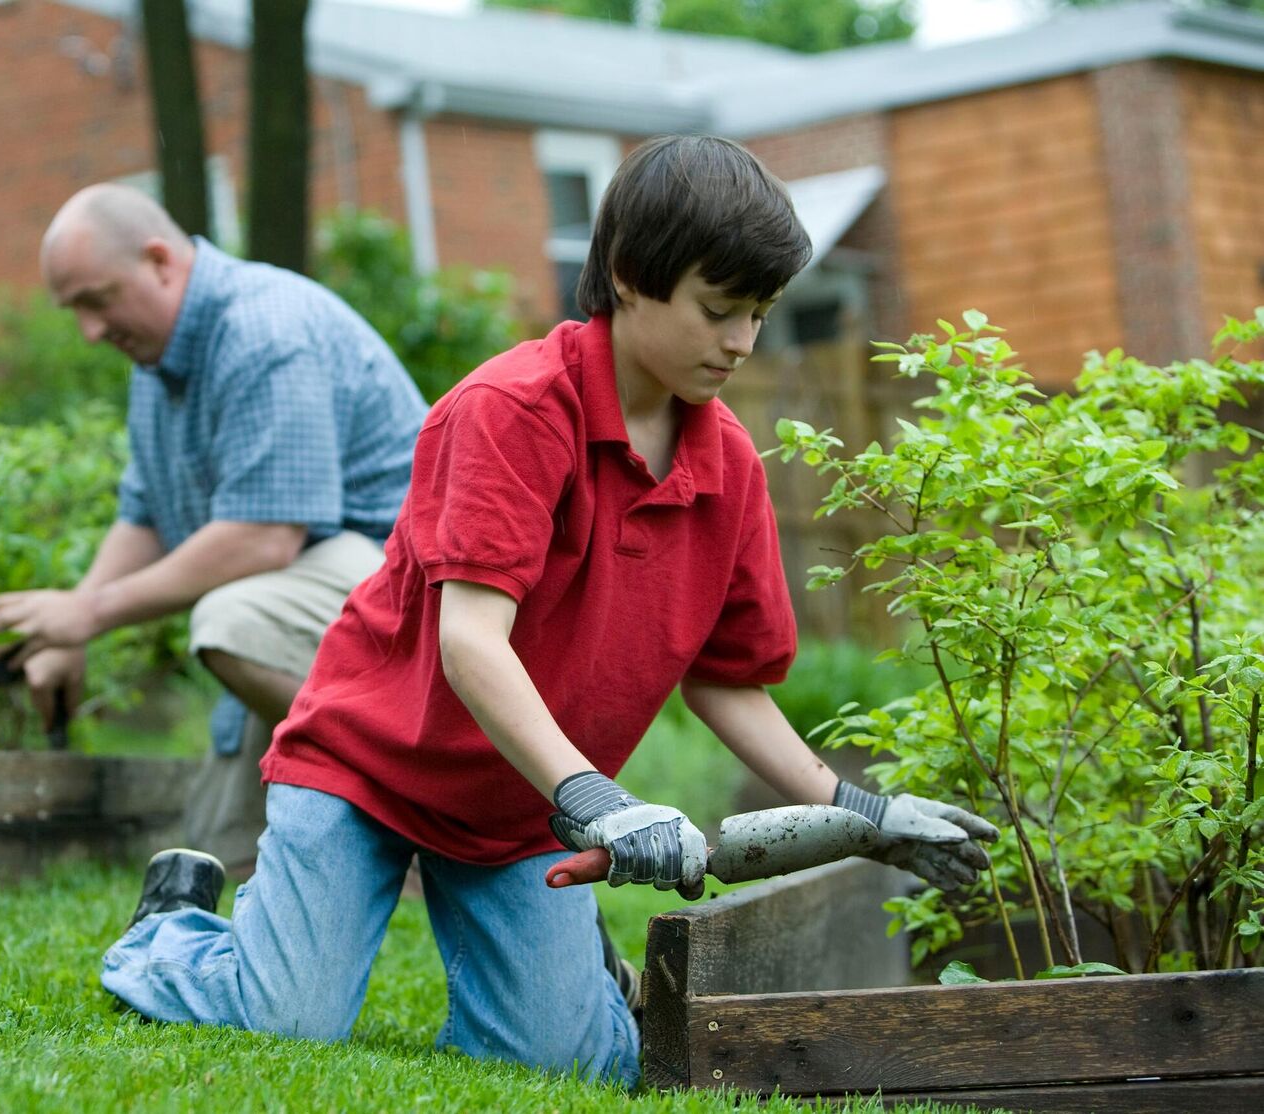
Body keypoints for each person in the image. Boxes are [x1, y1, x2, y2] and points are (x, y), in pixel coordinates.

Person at [98, 135, 999, 1085]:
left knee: (564, 1064)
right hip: (368, 769)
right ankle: (173, 929)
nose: (742, 343)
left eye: (759, 315)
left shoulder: (727, 466)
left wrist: (868, 813)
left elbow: (727, 686)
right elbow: (471, 642)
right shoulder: (512, 411)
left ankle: (572, 982)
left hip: (523, 807)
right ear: (627, 276)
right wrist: (600, 801)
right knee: (285, 1020)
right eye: (719, 310)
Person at [0, 184, 429, 872]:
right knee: (214, 855)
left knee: (232, 621)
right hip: (313, 612)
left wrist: (91, 613)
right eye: (75, 312)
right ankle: (364, 825)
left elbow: (264, 537)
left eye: (96, 301)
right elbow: (146, 513)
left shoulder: (264, 331)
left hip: (415, 609)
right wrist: (64, 630)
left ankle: (424, 806)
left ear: (160, 260)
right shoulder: (157, 365)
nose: (90, 332)